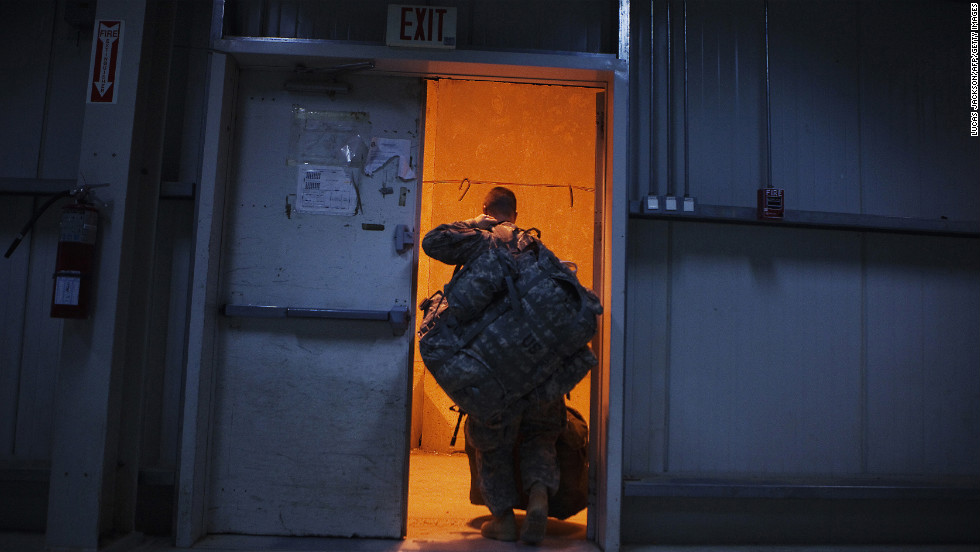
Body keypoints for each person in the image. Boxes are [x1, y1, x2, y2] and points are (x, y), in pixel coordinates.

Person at [421, 186, 566, 544]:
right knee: (540, 434)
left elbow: (431, 241)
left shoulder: (481, 240)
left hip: (493, 368)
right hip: (540, 362)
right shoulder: (538, 250)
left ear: (486, 210)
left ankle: (502, 520)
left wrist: (475, 223)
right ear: (515, 215)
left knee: (490, 442)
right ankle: (537, 498)